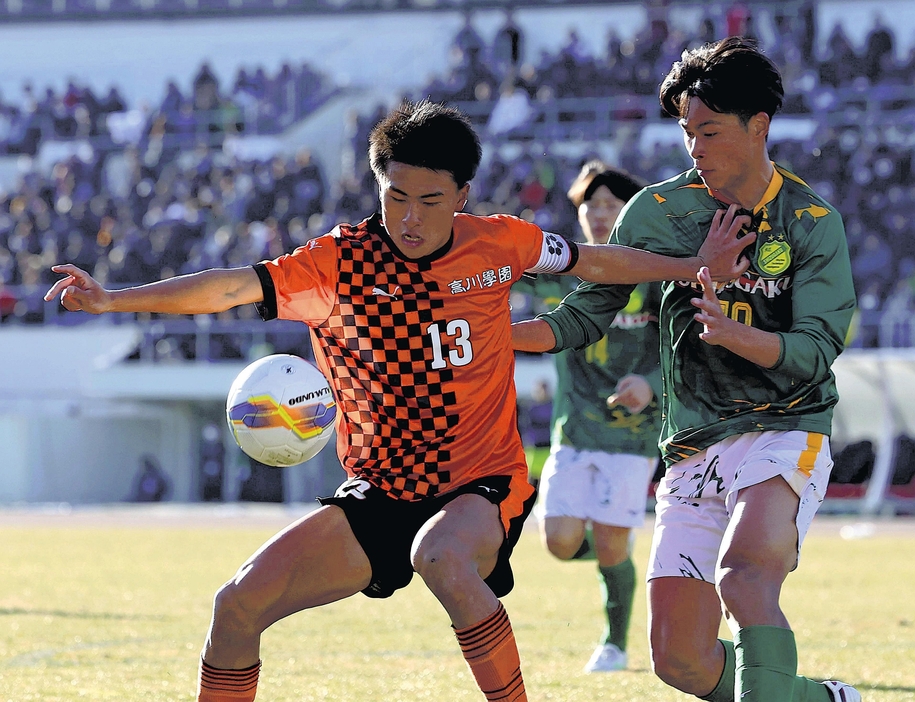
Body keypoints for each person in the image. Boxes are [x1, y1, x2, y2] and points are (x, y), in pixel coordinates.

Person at [45, 99, 752, 702]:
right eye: (396, 198)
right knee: (236, 605)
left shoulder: (500, 244)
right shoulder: (336, 263)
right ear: (378, 187)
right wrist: (114, 299)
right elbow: (229, 285)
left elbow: (593, 261)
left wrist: (693, 266)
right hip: (380, 489)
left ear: (462, 196)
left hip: (480, 481)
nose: (410, 218)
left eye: (430, 201)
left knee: (439, 556)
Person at [512, 38, 859, 702]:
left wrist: (741, 337)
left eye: (708, 131)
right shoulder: (656, 213)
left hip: (784, 429)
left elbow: (816, 350)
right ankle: (820, 700)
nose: (692, 147)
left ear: (758, 127)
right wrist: (500, 336)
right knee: (679, 660)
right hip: (691, 445)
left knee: (744, 577)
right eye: (683, 131)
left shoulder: (812, 223)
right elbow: (586, 312)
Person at [513, 161, 662, 674]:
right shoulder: (560, 273)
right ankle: (613, 548)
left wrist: (652, 385)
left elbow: (685, 344)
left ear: (628, 211)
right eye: (589, 206)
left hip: (633, 433)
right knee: (557, 541)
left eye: (610, 205)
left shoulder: (654, 272)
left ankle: (614, 645)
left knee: (610, 545)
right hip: (574, 426)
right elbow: (501, 277)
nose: (599, 214)